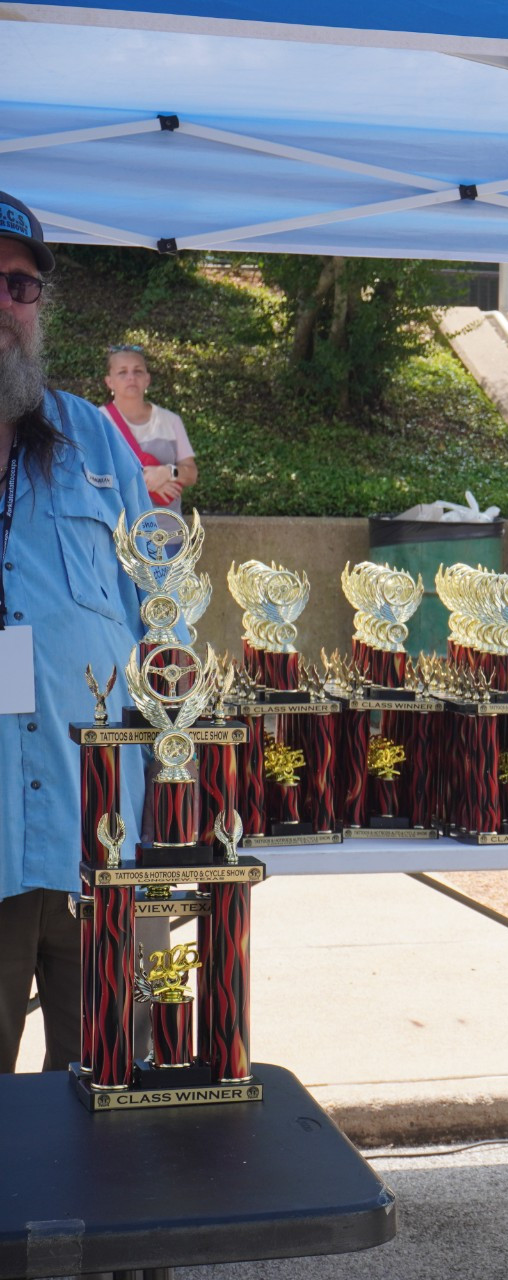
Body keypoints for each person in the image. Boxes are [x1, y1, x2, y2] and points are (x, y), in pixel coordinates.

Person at [0, 191, 146, 1072]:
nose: (3, 303)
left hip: (99, 841)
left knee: (107, 1097)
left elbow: (158, 608)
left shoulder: (92, 436)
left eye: (19, 285)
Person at [101, 344, 195, 513]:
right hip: (119, 527)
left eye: (138, 371)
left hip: (168, 527)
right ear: (109, 381)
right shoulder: (97, 421)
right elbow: (87, 475)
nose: (131, 377)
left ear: (147, 379)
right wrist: (144, 480)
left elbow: (191, 474)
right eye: (122, 372)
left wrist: (167, 472)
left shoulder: (171, 421)